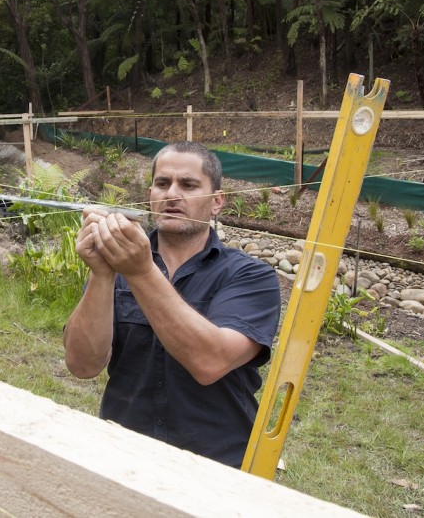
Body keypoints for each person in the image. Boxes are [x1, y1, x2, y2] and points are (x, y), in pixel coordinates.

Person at [64, 141, 281, 468]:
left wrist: (140, 271)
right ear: (150, 194)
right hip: (124, 456)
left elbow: (210, 361)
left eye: (189, 185)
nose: (172, 194)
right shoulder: (123, 262)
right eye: (162, 184)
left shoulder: (251, 276)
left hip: (218, 465)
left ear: (216, 202)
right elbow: (82, 366)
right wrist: (102, 272)